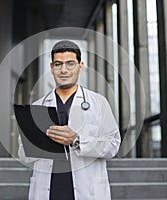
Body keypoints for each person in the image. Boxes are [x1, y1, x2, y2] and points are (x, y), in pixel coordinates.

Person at [18, 40, 121, 200]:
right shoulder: (37, 107)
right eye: (58, 64)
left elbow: (113, 145)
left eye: (70, 64)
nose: (64, 70)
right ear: (52, 68)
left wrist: (77, 141)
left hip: (87, 191)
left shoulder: (98, 102)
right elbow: (23, 155)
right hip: (48, 190)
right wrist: (40, 142)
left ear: (81, 66)